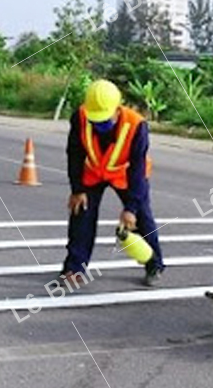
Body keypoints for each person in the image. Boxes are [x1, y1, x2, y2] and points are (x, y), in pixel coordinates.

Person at [60, 79, 164, 287]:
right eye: (95, 120)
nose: (99, 125)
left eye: (104, 120)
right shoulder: (80, 117)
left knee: (142, 218)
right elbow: (75, 153)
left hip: (125, 174)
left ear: (117, 110)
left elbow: (137, 168)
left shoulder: (136, 126)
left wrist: (131, 208)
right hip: (93, 172)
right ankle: (74, 268)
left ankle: (154, 264)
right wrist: (77, 189)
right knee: (81, 214)